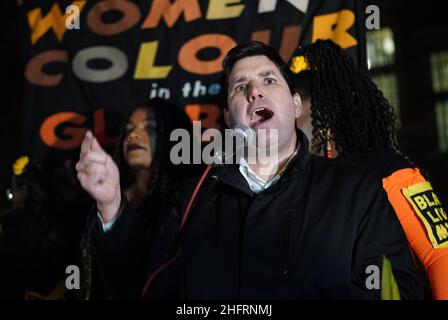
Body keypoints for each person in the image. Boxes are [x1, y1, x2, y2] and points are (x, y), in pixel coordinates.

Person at [76, 41, 422, 299]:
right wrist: (110, 207)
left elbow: (397, 292)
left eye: (269, 80)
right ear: (229, 117)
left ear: (295, 104)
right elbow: (143, 289)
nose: (255, 91)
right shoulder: (192, 198)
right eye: (240, 87)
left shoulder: (356, 190)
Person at [287, 39, 448, 299]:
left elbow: (441, 255)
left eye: (296, 114)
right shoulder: (294, 180)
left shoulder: (388, 170)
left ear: (324, 114)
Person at [80, 98, 196, 299]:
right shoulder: (105, 200)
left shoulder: (189, 203)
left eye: (149, 129)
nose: (133, 135)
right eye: (128, 130)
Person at [0, 156, 90, 299]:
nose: (12, 199)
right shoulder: (76, 225)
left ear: (24, 190)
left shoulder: (11, 224)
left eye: (12, 192)